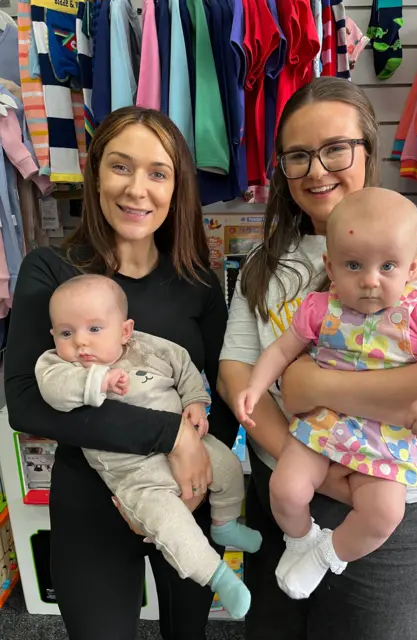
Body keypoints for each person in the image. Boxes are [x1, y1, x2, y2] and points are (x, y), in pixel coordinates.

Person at [217, 77, 417, 640]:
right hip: (289, 484)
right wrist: (301, 455)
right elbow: (237, 368)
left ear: (368, 149)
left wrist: (313, 386)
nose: (317, 170)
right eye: (297, 156)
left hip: (395, 504)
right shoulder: (268, 259)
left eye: (336, 148)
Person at [4, 106, 240, 640]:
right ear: (95, 174)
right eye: (120, 166)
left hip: (186, 489)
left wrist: (193, 470)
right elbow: (26, 403)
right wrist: (168, 434)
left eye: (158, 172)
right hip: (91, 498)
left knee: (188, 632)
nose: (138, 189)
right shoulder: (52, 270)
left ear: (176, 187)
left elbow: (219, 390)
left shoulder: (198, 280)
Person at [235, 187, 417, 600]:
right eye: (353, 265)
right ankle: (300, 542)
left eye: (387, 266)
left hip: (386, 436)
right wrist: (255, 386)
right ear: (330, 266)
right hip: (322, 423)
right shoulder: (318, 307)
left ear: (413, 265)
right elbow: (281, 350)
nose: (369, 281)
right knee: (286, 488)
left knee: (384, 513)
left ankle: (326, 555)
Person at [35, 274, 262, 619]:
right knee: (173, 526)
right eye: (67, 333)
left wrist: (196, 401)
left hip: (191, 449)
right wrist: (98, 379)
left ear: (125, 331)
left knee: (229, 467)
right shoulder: (59, 365)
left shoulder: (148, 346)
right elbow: (53, 392)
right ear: (54, 336)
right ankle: (218, 576)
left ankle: (225, 522)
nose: (81, 342)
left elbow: (184, 365)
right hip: (136, 475)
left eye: (94, 329)